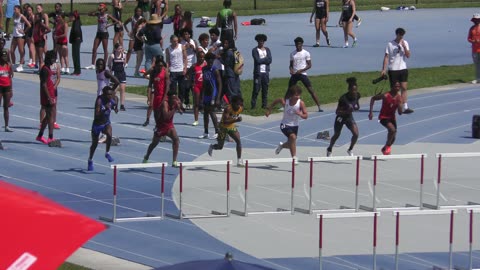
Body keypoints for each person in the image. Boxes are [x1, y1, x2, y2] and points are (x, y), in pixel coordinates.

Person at [265, 85, 308, 165]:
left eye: (299, 95)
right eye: (296, 95)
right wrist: (269, 109)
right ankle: (294, 158)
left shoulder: (301, 103)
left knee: (290, 144)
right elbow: (276, 101)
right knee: (293, 137)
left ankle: (281, 146)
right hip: (284, 124)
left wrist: (300, 114)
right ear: (291, 95)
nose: (298, 97)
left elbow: (306, 116)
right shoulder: (285, 102)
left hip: (295, 125)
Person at [142, 91, 182, 168]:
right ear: (169, 98)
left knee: (176, 139)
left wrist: (179, 109)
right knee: (154, 144)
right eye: (174, 98)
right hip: (161, 126)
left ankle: (174, 161)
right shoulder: (165, 104)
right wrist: (174, 109)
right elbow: (166, 117)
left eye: (176, 98)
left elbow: (180, 108)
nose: (175, 100)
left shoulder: (176, 101)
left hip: (169, 126)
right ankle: (146, 156)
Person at [326, 77, 360, 157]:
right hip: (340, 118)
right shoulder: (343, 99)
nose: (354, 92)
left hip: (349, 117)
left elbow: (357, 105)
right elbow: (337, 112)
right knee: (337, 134)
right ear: (349, 90)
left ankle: (350, 149)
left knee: (356, 134)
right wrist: (346, 111)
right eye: (353, 90)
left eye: (356, 90)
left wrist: (356, 108)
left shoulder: (357, 95)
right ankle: (329, 148)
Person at [381, 27, 413, 113]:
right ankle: (393, 105)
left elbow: (408, 55)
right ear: (397, 34)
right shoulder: (390, 44)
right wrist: (384, 69)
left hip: (403, 68)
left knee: (404, 87)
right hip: (393, 69)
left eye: (403, 36)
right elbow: (386, 57)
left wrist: (404, 47)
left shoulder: (405, 42)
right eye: (400, 35)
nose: (401, 37)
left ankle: (405, 106)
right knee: (394, 89)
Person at [87, 85, 118, 171]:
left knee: (109, 134)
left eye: (111, 94)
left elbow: (116, 100)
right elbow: (96, 115)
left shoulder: (112, 99)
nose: (110, 96)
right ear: (104, 94)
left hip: (106, 123)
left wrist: (116, 108)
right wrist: (104, 109)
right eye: (108, 95)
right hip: (97, 124)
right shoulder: (99, 101)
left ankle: (107, 153)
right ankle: (90, 159)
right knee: (94, 144)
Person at [368, 81, 404, 155]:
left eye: (398, 87)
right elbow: (373, 98)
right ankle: (387, 146)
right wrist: (370, 112)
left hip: (392, 118)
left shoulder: (399, 98)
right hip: (383, 117)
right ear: (392, 87)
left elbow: (400, 113)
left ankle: (385, 148)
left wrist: (401, 106)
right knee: (392, 130)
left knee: (393, 138)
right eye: (396, 86)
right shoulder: (385, 95)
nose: (397, 88)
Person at [208, 95, 244, 167]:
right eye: (237, 104)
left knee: (238, 141)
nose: (238, 106)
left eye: (239, 104)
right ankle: (212, 146)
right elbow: (225, 122)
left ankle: (239, 160)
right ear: (232, 103)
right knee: (220, 147)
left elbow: (235, 114)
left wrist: (234, 119)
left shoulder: (240, 108)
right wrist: (236, 120)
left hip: (231, 127)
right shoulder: (228, 109)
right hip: (223, 127)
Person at [288, 36, 322, 112]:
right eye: (296, 44)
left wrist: (301, 70)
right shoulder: (292, 54)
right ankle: (286, 105)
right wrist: (291, 70)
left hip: (302, 74)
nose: (298, 45)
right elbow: (290, 65)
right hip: (295, 74)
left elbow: (309, 65)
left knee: (310, 90)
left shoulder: (306, 53)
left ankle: (319, 106)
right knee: (290, 90)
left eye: (299, 44)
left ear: (302, 44)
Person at [86, 3, 120, 70]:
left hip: (104, 33)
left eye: (102, 8)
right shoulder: (98, 14)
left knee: (105, 49)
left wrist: (109, 25)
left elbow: (117, 21)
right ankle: (92, 64)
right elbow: (89, 14)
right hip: (98, 33)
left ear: (104, 9)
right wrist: (96, 10)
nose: (100, 10)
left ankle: (104, 64)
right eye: (100, 8)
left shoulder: (107, 15)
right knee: (94, 48)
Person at [36, 50, 58, 145]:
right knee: (50, 116)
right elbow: (44, 85)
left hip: (51, 94)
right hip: (47, 95)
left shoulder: (48, 68)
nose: (54, 59)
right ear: (48, 58)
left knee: (48, 117)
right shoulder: (45, 69)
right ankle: (50, 137)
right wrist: (49, 97)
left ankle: (40, 136)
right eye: (53, 58)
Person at [199, 52, 221, 139]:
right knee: (205, 113)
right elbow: (204, 83)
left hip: (213, 93)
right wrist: (201, 96)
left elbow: (220, 84)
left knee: (212, 112)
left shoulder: (215, 70)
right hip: (206, 93)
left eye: (212, 60)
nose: (210, 61)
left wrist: (218, 97)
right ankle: (206, 132)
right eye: (208, 60)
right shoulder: (204, 69)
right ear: (206, 60)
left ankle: (217, 131)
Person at [143, 55, 169, 126]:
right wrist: (148, 96)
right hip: (155, 90)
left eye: (161, 65)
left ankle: (163, 123)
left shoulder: (165, 70)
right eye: (159, 65)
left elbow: (167, 83)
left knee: (163, 108)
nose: (160, 67)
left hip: (162, 91)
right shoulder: (153, 70)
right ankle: (148, 119)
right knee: (151, 105)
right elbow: (146, 78)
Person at [251, 33, 272, 109]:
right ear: (257, 41)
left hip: (266, 73)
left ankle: (264, 105)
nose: (261, 42)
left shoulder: (267, 50)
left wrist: (264, 60)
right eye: (260, 41)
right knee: (256, 89)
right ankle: (253, 105)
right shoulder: (255, 50)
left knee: (265, 89)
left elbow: (270, 60)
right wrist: (265, 59)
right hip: (258, 73)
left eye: (262, 41)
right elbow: (257, 60)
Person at [10, 5, 31, 72]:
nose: (14, 10)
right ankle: (13, 64)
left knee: (21, 51)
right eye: (14, 9)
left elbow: (29, 25)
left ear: (19, 9)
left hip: (20, 36)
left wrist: (24, 31)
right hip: (15, 35)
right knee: (11, 50)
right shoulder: (14, 15)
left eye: (15, 9)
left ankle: (21, 65)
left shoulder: (22, 16)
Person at [165, 34, 187, 99]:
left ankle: (180, 102)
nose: (176, 42)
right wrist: (167, 69)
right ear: (171, 41)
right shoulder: (168, 49)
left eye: (177, 41)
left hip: (180, 70)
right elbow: (167, 61)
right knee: (173, 89)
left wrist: (185, 68)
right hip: (173, 70)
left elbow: (185, 58)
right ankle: (173, 103)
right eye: (174, 41)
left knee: (182, 88)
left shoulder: (182, 47)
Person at [107, 43, 127, 110]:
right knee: (114, 90)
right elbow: (109, 65)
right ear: (115, 49)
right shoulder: (112, 56)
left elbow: (125, 64)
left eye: (121, 48)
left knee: (122, 89)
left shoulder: (123, 55)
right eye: (119, 49)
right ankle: (112, 102)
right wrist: (110, 74)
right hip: (115, 74)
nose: (120, 50)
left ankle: (122, 105)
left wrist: (124, 61)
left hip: (122, 73)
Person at [221, 38, 241, 102]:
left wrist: (220, 58)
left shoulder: (228, 53)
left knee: (231, 91)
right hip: (236, 73)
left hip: (229, 74)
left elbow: (226, 63)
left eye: (226, 43)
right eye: (224, 43)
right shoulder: (235, 52)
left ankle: (232, 105)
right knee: (236, 90)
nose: (224, 45)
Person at [191, 50, 206, 126]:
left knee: (205, 103)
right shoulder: (194, 66)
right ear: (197, 57)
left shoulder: (206, 65)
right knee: (196, 103)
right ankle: (196, 120)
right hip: (197, 86)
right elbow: (187, 74)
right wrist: (192, 83)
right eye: (200, 57)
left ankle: (206, 119)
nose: (202, 58)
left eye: (203, 57)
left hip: (205, 86)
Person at [0, 50, 13, 132]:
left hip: (7, 88)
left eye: (6, 56)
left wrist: (11, 89)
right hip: (0, 87)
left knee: (6, 107)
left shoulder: (9, 65)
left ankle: (6, 126)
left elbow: (10, 77)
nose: (5, 58)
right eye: (3, 56)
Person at [69, 10, 82, 76]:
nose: (69, 18)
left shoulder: (76, 23)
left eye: (70, 17)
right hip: (76, 41)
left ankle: (77, 71)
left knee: (76, 56)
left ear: (74, 17)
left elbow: (76, 31)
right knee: (75, 55)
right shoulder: (76, 22)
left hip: (76, 41)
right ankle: (76, 70)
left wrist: (77, 37)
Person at [468, 13, 480, 84]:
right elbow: (469, 38)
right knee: (477, 65)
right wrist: (473, 41)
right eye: (475, 19)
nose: (476, 21)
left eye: (478, 19)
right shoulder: (471, 28)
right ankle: (478, 78)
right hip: (474, 49)